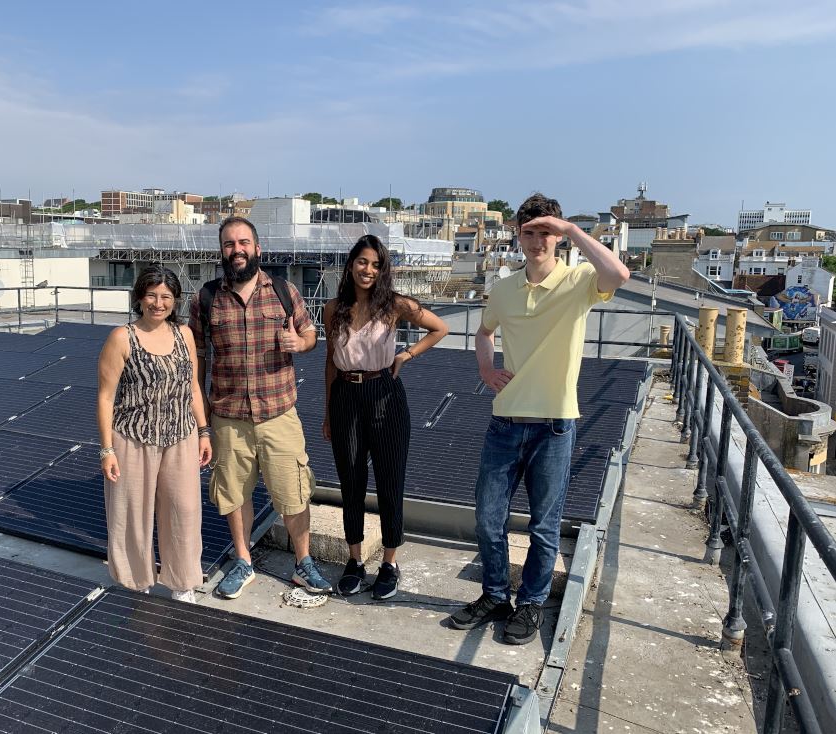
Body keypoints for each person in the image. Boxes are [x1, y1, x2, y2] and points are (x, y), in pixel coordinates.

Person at [448, 193, 629, 644]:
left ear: (558, 235)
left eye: (545, 231)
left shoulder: (580, 281)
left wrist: (571, 231)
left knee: (544, 526)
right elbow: (484, 331)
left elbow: (619, 274)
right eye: (529, 232)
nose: (537, 241)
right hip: (505, 420)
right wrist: (487, 368)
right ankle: (495, 595)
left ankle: (530, 604)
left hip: (554, 424)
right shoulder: (505, 288)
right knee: (489, 518)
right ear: (517, 235)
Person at [190, 215, 332, 599]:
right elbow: (198, 360)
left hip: (278, 414)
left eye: (243, 243)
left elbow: (310, 334)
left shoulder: (284, 291)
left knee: (293, 492)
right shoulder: (205, 299)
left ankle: (303, 564)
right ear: (222, 251)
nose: (237, 250)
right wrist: (201, 418)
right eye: (229, 245)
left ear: (257, 249)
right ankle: (243, 561)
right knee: (233, 494)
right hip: (227, 417)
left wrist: (300, 344)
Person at [322, 235, 448, 599]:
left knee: (390, 482)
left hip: (385, 395)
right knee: (351, 483)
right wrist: (329, 412)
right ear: (351, 264)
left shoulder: (393, 305)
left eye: (376, 264)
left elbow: (440, 328)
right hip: (345, 395)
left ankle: (390, 563)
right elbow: (330, 361)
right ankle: (355, 560)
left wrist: (407, 356)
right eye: (363, 262)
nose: (368, 270)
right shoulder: (333, 309)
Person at [97, 265, 212, 604]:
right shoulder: (122, 337)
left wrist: (204, 432)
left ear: (175, 301)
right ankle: (137, 580)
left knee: (184, 511)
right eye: (151, 295)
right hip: (133, 438)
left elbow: (192, 387)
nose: (158, 303)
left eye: (166, 297)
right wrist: (107, 450)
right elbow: (105, 397)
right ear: (139, 298)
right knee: (132, 512)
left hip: (180, 435)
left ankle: (182, 581)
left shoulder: (184, 335)